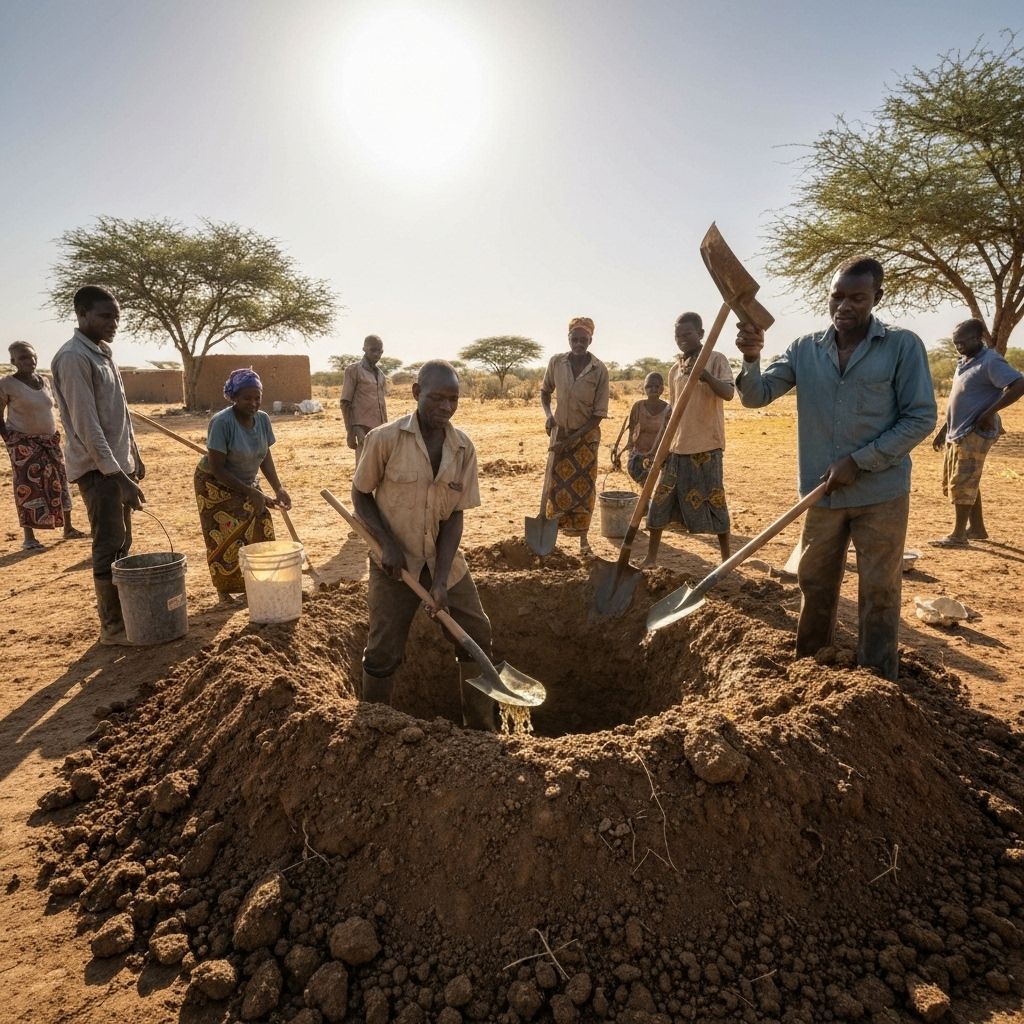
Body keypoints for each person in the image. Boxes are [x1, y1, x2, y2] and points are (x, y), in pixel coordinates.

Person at [735, 257, 937, 681]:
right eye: (837, 296)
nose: (844, 305)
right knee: (815, 584)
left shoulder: (902, 346)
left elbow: (920, 417)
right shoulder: (804, 348)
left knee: (879, 590)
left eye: (857, 297)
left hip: (880, 495)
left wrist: (860, 461)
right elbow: (756, 397)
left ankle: (876, 683)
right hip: (822, 494)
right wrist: (751, 358)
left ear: (876, 298)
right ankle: (808, 672)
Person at [352, 360, 496, 730]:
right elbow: (361, 494)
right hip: (393, 563)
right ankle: (374, 726)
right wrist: (386, 544)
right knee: (383, 649)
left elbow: (455, 516)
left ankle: (479, 728)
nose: (446, 408)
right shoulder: (384, 439)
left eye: (453, 399)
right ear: (417, 393)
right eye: (437, 398)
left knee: (476, 633)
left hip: (442, 559)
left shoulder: (463, 447)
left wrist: (442, 579)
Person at [51, 285, 146, 645]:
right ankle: (112, 626)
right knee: (108, 544)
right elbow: (87, 427)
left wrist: (135, 458)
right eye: (106, 316)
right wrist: (118, 475)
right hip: (99, 472)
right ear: (82, 314)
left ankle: (128, 616)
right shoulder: (74, 358)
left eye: (117, 317)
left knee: (123, 542)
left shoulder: (103, 354)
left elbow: (119, 414)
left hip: (119, 467)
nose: (114, 323)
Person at [645, 312, 735, 567]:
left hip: (706, 445)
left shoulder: (715, 360)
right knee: (660, 502)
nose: (682, 340)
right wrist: (660, 447)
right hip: (677, 447)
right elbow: (672, 411)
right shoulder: (675, 369)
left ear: (701, 334)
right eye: (678, 336)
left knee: (715, 502)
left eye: (688, 334)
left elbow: (728, 393)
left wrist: (704, 375)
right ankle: (651, 557)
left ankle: (726, 558)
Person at [194, 368, 292, 601]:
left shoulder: (263, 419)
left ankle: (258, 581)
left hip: (245, 480)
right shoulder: (221, 422)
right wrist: (251, 492)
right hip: (214, 484)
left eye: (257, 397)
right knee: (226, 532)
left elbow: (264, 455)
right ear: (234, 397)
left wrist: (278, 488)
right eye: (247, 398)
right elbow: (218, 469)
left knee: (261, 520)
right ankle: (225, 588)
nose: (253, 403)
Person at [929, 318, 1024, 547]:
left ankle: (958, 535)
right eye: (955, 342)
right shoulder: (964, 361)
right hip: (959, 429)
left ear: (977, 338)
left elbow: (1019, 384)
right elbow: (960, 398)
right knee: (966, 478)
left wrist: (988, 413)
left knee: (963, 480)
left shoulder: (990, 361)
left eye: (962, 342)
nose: (958, 346)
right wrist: (944, 429)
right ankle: (977, 528)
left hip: (976, 429)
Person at [1, 341, 86, 550]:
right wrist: (11, 441)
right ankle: (29, 537)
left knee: (59, 481)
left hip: (50, 442)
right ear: (13, 361)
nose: (29, 361)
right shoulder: (7, 384)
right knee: (27, 487)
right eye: (23, 358)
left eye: (32, 356)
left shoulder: (45, 381)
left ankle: (68, 528)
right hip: (24, 445)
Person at [540, 316, 610, 555]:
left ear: (591, 340)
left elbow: (598, 415)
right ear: (568, 338)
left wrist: (573, 439)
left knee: (584, 489)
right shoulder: (556, 363)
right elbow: (545, 392)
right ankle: (551, 542)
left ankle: (583, 542)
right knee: (555, 487)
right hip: (559, 435)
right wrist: (549, 415)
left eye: (584, 339)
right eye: (574, 339)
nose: (579, 343)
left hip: (586, 439)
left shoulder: (599, 370)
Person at [341, 335, 388, 463]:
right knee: (363, 469)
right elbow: (345, 403)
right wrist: (350, 432)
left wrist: (387, 428)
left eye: (380, 351)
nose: (377, 354)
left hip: (380, 429)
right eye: (373, 350)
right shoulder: (353, 370)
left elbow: (382, 405)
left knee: (379, 468)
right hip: (362, 429)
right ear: (364, 349)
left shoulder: (381, 375)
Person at [624, 372, 669, 484]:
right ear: (644, 388)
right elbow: (632, 432)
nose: (653, 389)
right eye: (649, 386)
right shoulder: (638, 407)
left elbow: (668, 436)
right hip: (638, 458)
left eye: (657, 386)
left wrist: (657, 457)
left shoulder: (668, 410)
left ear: (662, 389)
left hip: (658, 459)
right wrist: (630, 453)